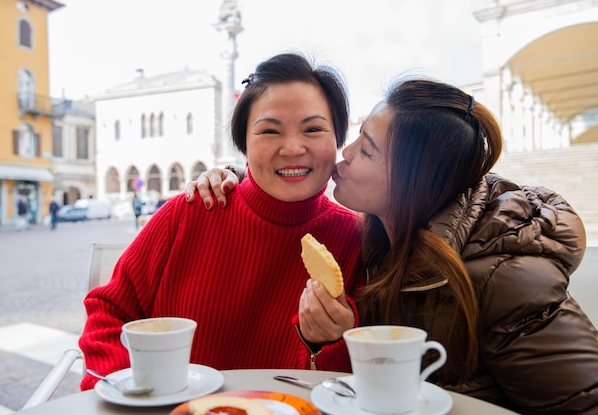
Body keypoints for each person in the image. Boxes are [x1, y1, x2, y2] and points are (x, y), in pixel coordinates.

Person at [186, 78, 598, 414]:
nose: (343, 154)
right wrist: (239, 175)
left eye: (365, 149)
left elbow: (582, 402)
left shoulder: (503, 274)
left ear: (410, 180)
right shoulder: (376, 241)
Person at [78, 53, 365, 391]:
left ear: (337, 139)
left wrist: (331, 341)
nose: (292, 148)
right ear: (244, 144)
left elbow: (358, 386)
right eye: (270, 131)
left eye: (313, 129)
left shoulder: (358, 239)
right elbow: (109, 311)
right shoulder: (191, 211)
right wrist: (131, 395)